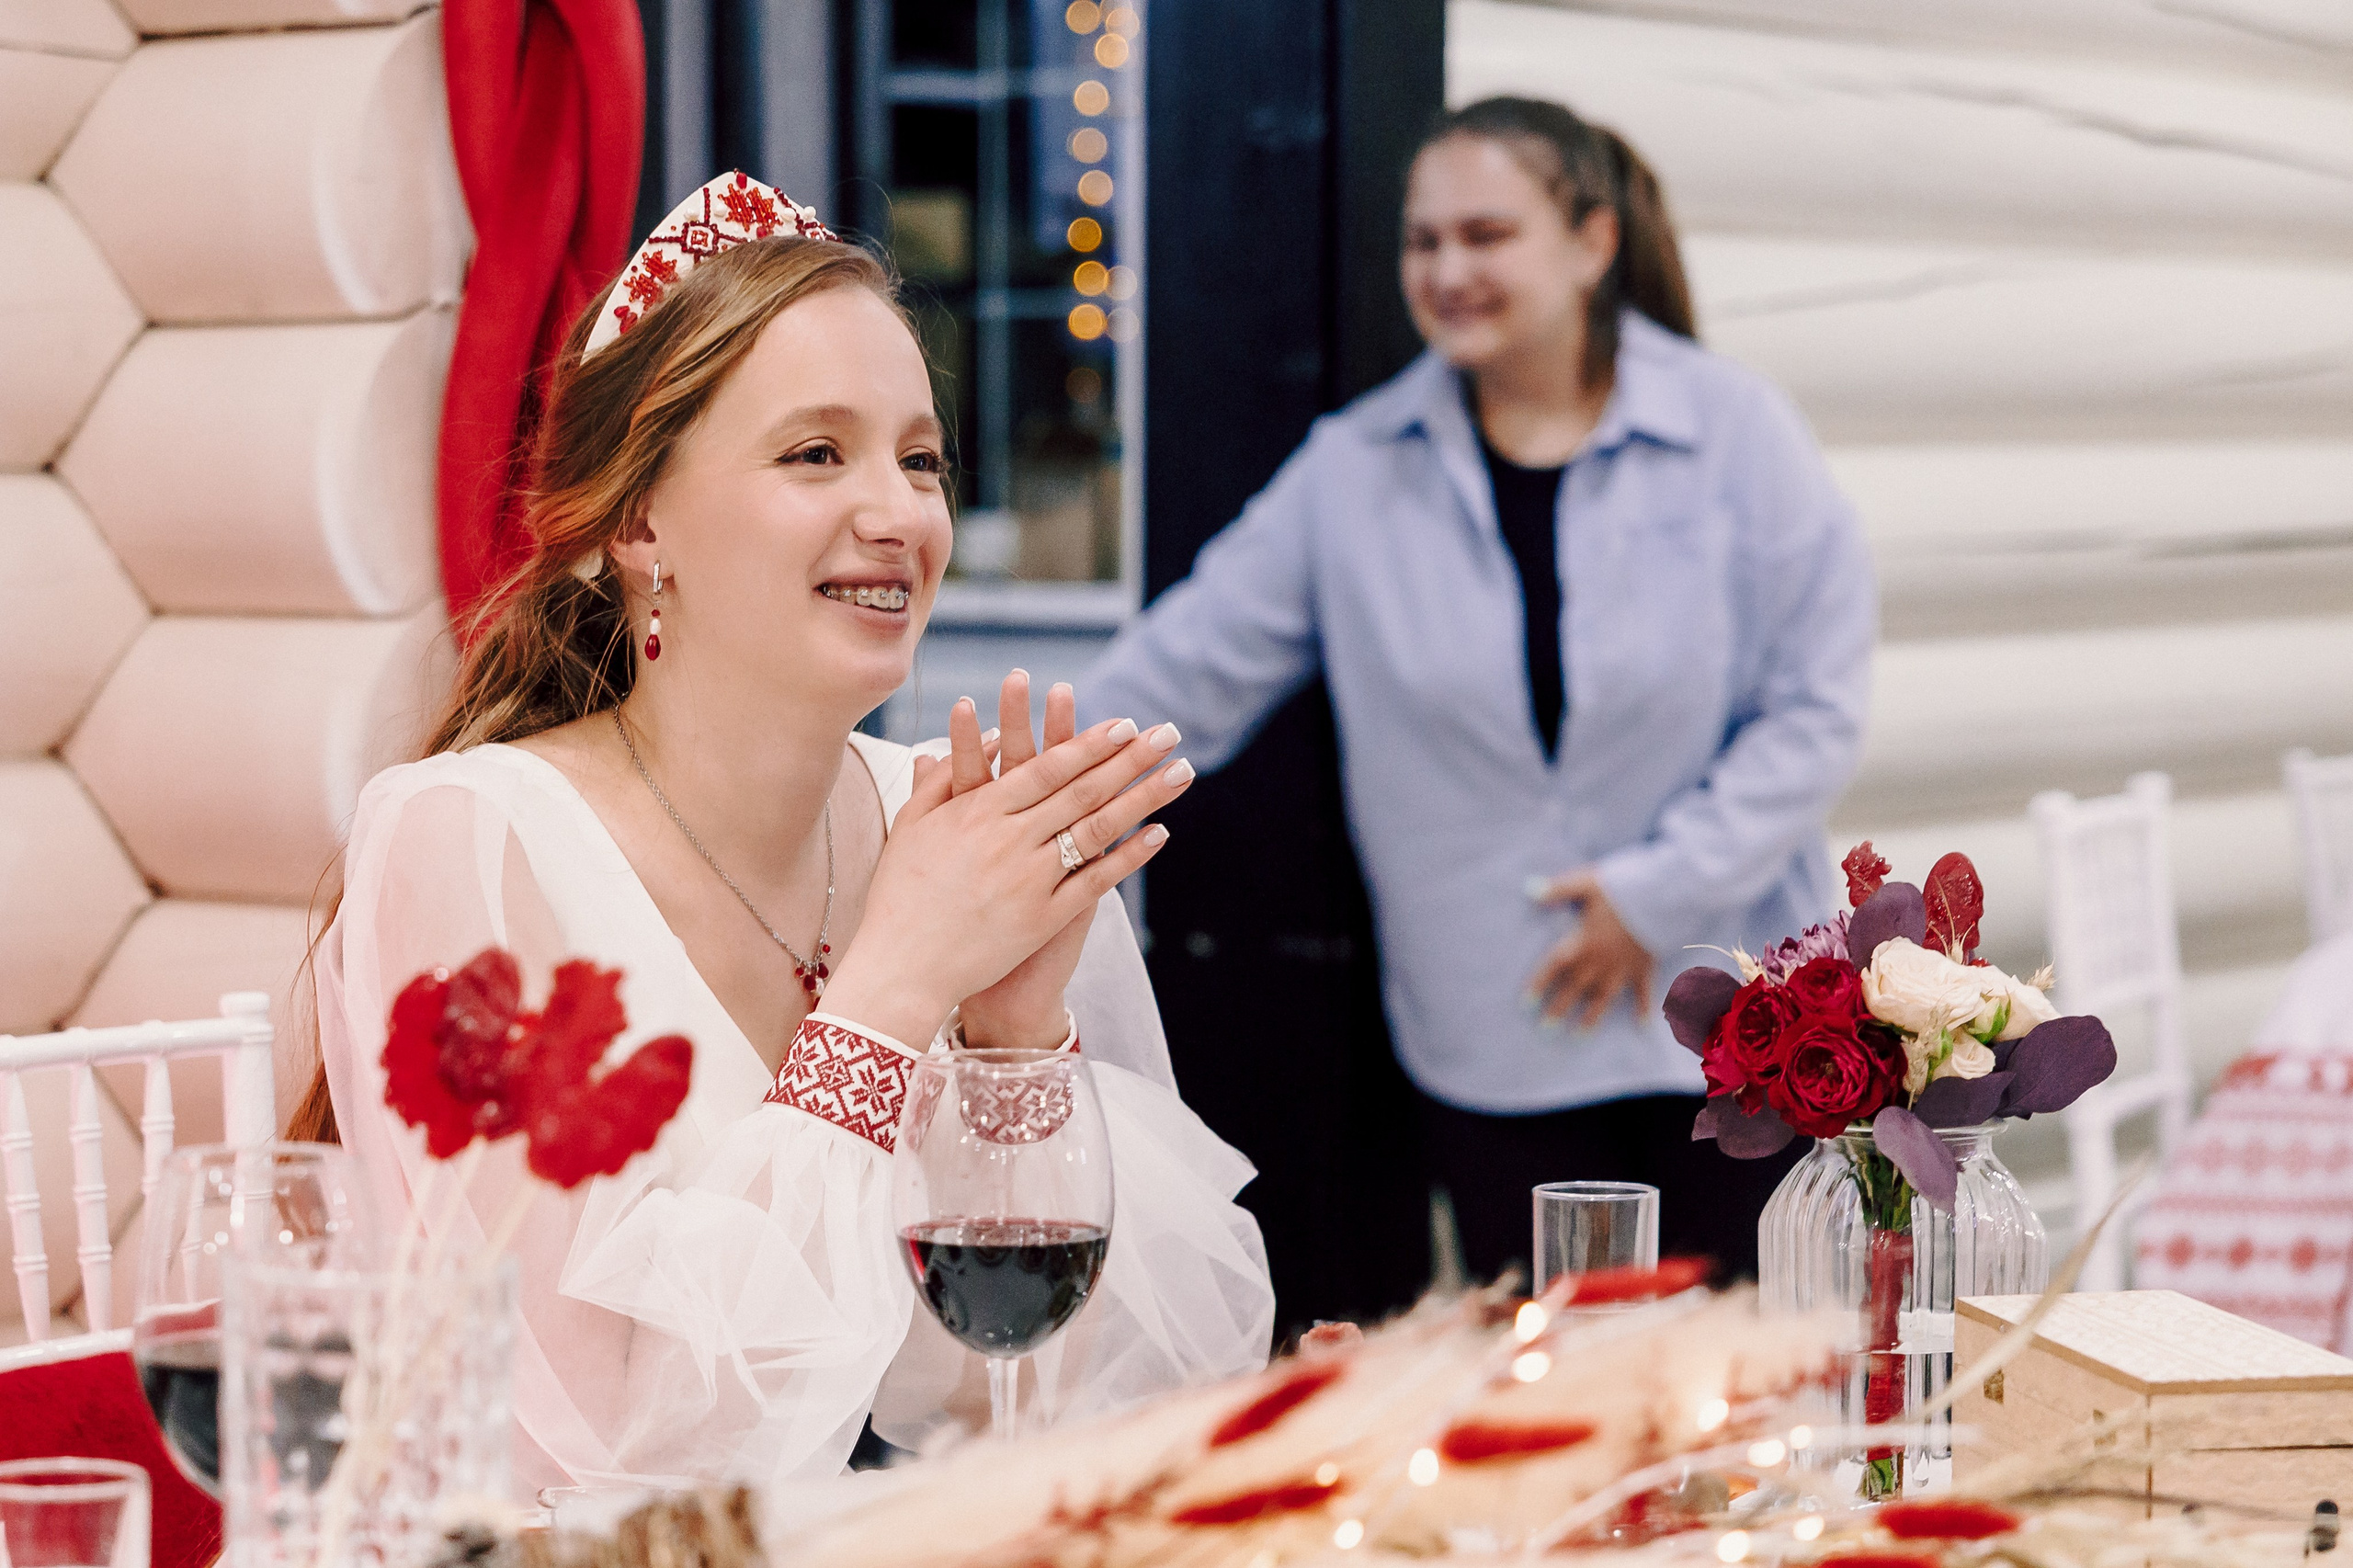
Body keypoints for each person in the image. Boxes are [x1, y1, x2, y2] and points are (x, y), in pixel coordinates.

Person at [290, 174, 1273, 1494]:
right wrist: (886, 995)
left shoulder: (949, 817)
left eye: (920, 458)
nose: (899, 514)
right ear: (640, 522)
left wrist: (1013, 1043)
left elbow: (1089, 1397)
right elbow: (582, 1451)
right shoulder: (469, 841)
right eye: (817, 453)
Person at [1079, 98, 1875, 1284]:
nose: (1448, 269)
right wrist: (978, 781)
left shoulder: (1735, 433)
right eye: (1423, 241)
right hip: (1494, 1032)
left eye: (1486, 234)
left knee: (1735, 1404)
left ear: (1593, 243)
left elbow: (1815, 705)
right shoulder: (1353, 470)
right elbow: (1182, 669)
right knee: (1559, 1399)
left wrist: (1654, 897)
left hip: (1733, 1018)